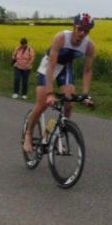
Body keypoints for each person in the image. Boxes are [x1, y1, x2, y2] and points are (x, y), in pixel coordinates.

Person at [23, 13, 96, 154]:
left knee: (69, 104)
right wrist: (50, 93)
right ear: (74, 26)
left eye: (86, 31)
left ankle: (55, 134)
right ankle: (28, 134)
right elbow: (51, 65)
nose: (82, 33)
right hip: (49, 65)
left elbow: (87, 71)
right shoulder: (61, 37)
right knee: (42, 104)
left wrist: (85, 95)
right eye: (80, 29)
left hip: (65, 67)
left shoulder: (89, 46)